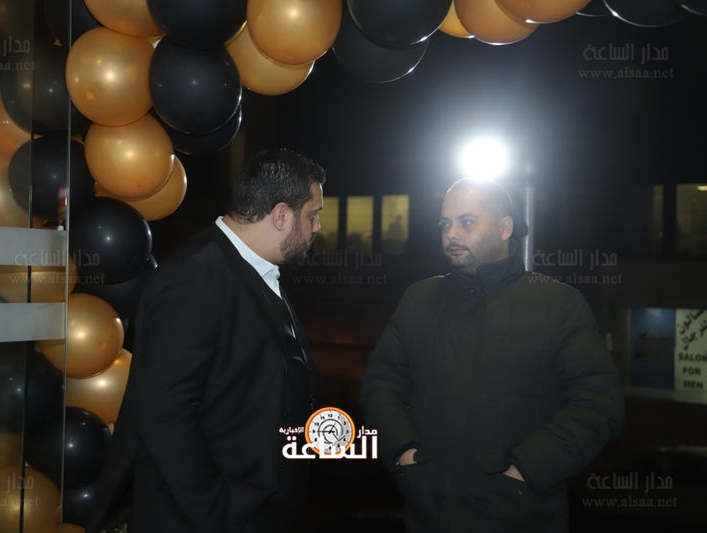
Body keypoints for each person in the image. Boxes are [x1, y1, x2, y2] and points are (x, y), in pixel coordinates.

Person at [360, 178, 624, 532]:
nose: (451, 234)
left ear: (505, 228)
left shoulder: (558, 305)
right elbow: (380, 386)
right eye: (445, 224)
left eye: (466, 222)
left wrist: (524, 471)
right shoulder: (418, 299)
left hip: (523, 520)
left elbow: (598, 404)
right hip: (428, 518)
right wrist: (404, 454)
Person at [86, 148, 325, 533]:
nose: (317, 227)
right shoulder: (195, 275)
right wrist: (216, 510)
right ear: (281, 215)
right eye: (312, 215)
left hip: (256, 508)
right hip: (209, 518)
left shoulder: (250, 268)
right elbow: (164, 411)